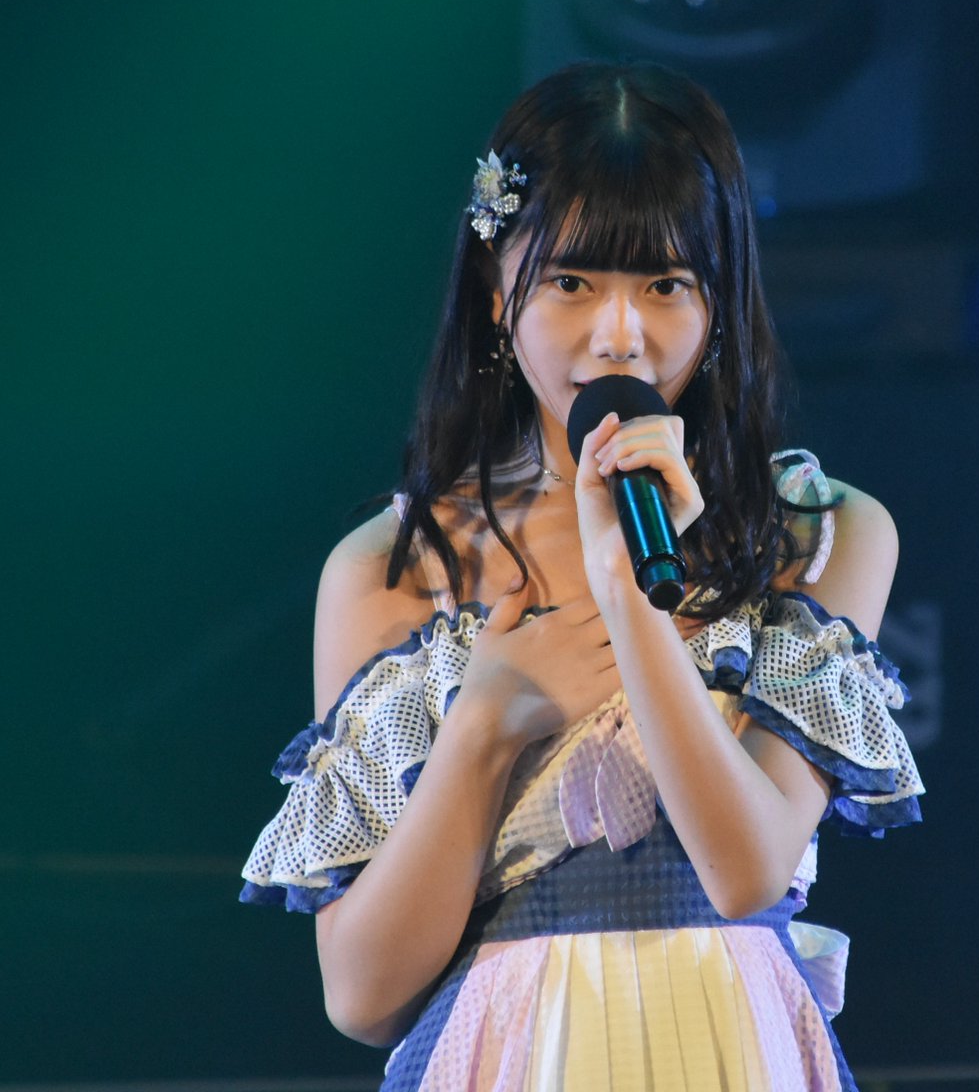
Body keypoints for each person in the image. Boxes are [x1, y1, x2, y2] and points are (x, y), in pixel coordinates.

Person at [241, 61, 923, 1091]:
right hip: (506, 1053)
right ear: (495, 290)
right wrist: (484, 723)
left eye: (665, 285)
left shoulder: (817, 533)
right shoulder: (398, 566)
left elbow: (746, 871)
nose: (619, 335)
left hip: (730, 1049)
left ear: (720, 301)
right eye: (571, 283)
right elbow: (362, 996)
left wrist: (625, 586)